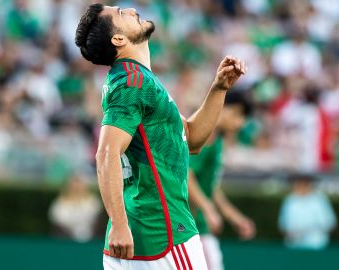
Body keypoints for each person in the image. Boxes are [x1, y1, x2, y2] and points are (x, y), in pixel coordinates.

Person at [74, 4, 246, 270]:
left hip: (148, 234)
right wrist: (119, 224)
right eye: (120, 13)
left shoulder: (138, 80)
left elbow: (192, 139)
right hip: (162, 234)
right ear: (118, 39)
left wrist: (219, 88)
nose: (131, 9)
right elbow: (107, 153)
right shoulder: (132, 82)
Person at [188, 91, 256, 270]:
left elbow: (210, 186)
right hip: (191, 227)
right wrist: (208, 209)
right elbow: (185, 176)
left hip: (196, 226)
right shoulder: (205, 134)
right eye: (236, 114)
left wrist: (234, 217)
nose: (239, 123)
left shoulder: (216, 137)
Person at [278, 173, 336, 250]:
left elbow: (329, 223)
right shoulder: (289, 200)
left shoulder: (319, 200)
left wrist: (310, 231)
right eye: (298, 183)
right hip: (293, 246)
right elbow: (283, 225)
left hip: (316, 245)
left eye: (304, 183)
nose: (300, 186)